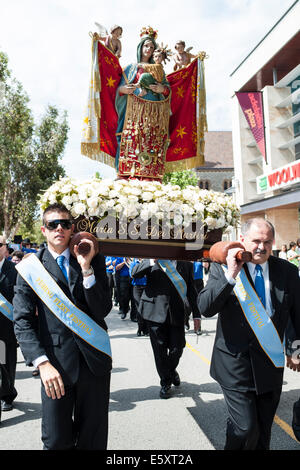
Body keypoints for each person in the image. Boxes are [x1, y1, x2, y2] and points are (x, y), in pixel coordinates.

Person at [13, 203, 112, 450]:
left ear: (71, 229)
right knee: (56, 440)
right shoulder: (30, 268)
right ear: (43, 230)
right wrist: (42, 363)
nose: (60, 228)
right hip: (55, 367)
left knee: (93, 440)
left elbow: (102, 310)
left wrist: (87, 268)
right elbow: (23, 321)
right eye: (53, 224)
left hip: (94, 362)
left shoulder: (93, 258)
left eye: (65, 224)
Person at [198, 217, 300, 450]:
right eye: (256, 241)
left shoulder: (287, 271)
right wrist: (231, 275)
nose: (261, 247)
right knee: (244, 428)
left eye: (267, 242)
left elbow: (297, 314)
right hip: (235, 364)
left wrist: (295, 348)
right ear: (242, 240)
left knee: (263, 431)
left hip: (271, 364)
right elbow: (205, 308)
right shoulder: (223, 267)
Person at [131, 258, 200, 399]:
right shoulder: (153, 260)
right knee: (159, 350)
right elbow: (135, 273)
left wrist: (197, 316)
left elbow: (191, 290)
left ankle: (171, 370)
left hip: (177, 312)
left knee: (177, 348)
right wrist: (151, 261)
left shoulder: (186, 264)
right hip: (154, 311)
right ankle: (165, 382)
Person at [115, 27, 171, 178]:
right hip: (134, 112)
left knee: (151, 143)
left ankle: (149, 177)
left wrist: (162, 89)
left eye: (152, 47)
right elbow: (119, 88)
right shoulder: (131, 68)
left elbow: (167, 90)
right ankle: (127, 176)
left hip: (154, 114)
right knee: (132, 143)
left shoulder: (159, 70)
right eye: (146, 46)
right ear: (140, 47)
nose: (149, 49)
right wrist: (123, 90)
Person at [0, 236, 18, 421]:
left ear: (6, 248)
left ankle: (7, 394)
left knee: (5, 363)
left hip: (6, 326)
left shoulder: (14, 270)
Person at [129, 258, 148, 336]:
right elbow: (132, 275)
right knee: (139, 308)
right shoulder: (134, 263)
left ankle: (146, 330)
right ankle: (140, 328)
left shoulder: (147, 262)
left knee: (146, 308)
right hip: (137, 288)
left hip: (147, 287)